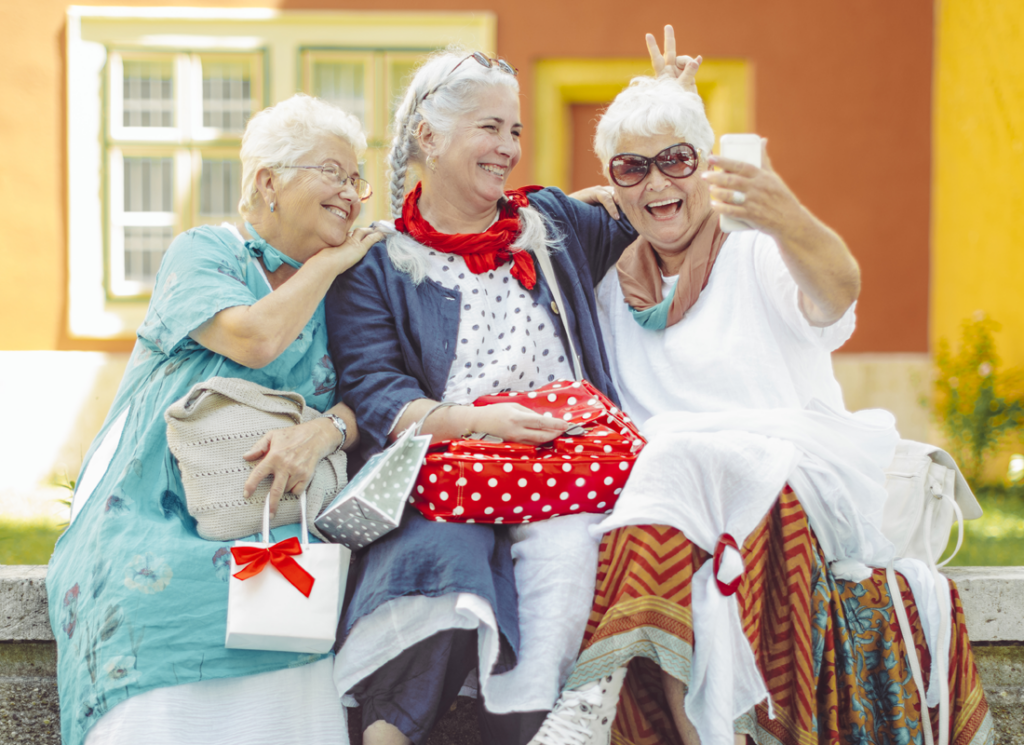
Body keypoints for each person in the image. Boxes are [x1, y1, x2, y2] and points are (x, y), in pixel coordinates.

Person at [527, 48, 995, 745]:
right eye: (633, 168)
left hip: (791, 478)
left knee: (678, 455)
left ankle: (591, 695)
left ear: (706, 167)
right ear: (612, 186)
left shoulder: (756, 251)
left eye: (677, 161)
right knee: (672, 472)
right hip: (675, 509)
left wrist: (787, 216)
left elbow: (839, 290)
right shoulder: (608, 286)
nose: (657, 180)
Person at [323, 42, 700, 744]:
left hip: (570, 467)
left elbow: (649, 195)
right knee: (442, 561)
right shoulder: (378, 263)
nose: (509, 148)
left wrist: (668, 107)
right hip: (455, 466)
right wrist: (478, 422)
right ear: (429, 137)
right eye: (490, 128)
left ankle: (533, 728)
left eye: (516, 130)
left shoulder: (550, 226)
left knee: (565, 558)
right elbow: (375, 392)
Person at [47, 94, 383, 745]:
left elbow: (373, 392)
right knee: (167, 597)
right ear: (268, 182)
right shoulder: (207, 252)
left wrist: (325, 429)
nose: (352, 194)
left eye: (356, 180)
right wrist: (329, 264)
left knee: (294, 609)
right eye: (333, 173)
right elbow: (256, 339)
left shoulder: (349, 289)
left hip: (269, 524)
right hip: (153, 517)